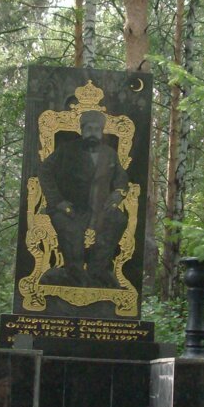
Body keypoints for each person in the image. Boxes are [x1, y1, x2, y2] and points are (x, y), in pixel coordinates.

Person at [37, 109, 128, 288]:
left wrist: (118, 193)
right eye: (89, 129)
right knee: (71, 230)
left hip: (99, 209)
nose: (93, 132)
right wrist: (57, 201)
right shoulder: (67, 150)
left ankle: (98, 270)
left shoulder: (109, 153)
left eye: (96, 129)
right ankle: (75, 273)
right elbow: (44, 170)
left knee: (118, 220)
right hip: (70, 208)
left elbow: (121, 178)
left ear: (101, 132)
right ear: (82, 130)